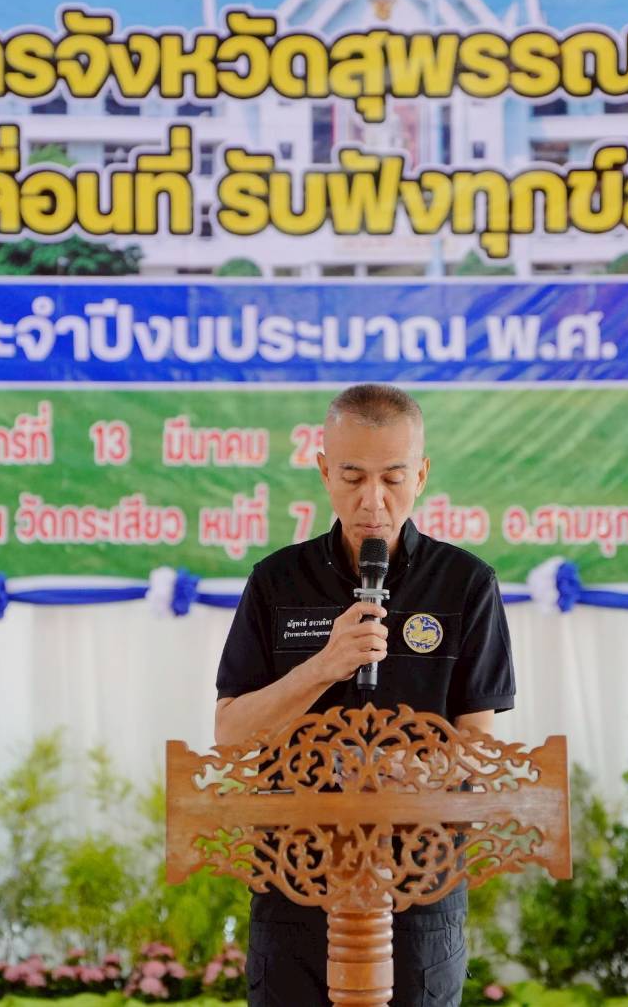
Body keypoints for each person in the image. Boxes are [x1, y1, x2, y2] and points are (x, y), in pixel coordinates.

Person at [214, 383, 516, 1007]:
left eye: (393, 478)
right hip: (294, 880)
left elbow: (480, 748)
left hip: (420, 883)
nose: (373, 500)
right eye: (352, 477)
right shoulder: (276, 581)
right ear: (325, 471)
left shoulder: (465, 584)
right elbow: (231, 735)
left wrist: (414, 772)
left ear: (422, 475)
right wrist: (324, 666)